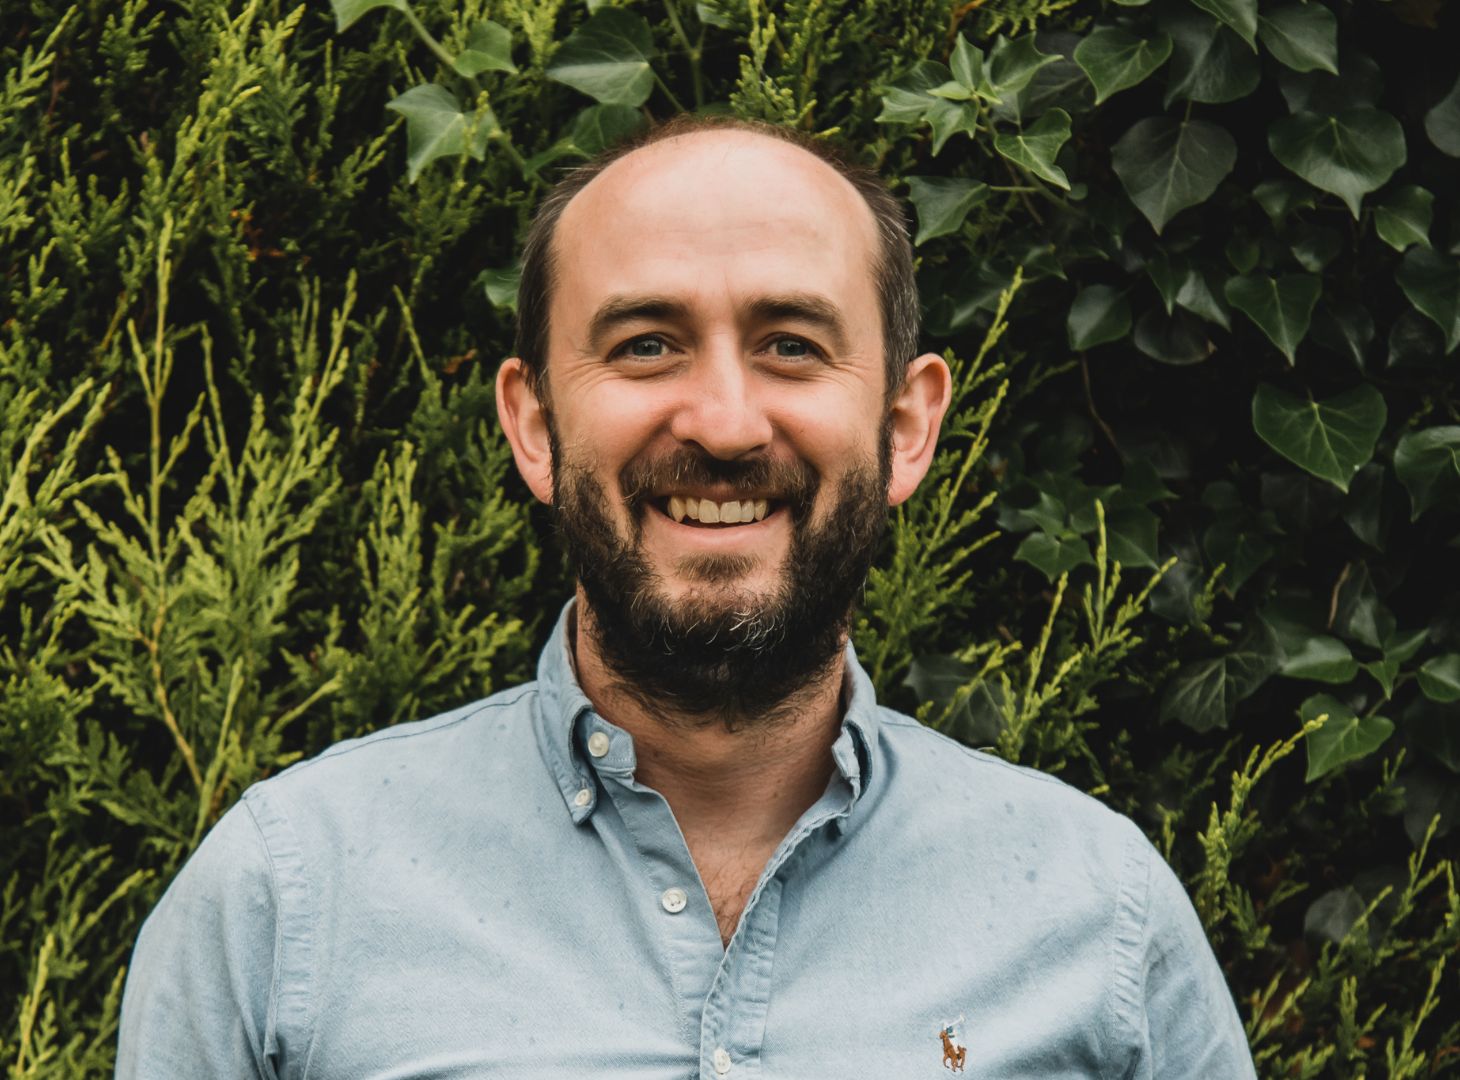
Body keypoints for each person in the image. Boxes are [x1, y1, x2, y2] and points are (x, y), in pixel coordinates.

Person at [116, 115, 1257, 1078]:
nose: (721, 421)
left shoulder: (1098, 912)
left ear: (905, 428)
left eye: (793, 346)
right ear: (531, 425)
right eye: (647, 343)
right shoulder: (286, 895)